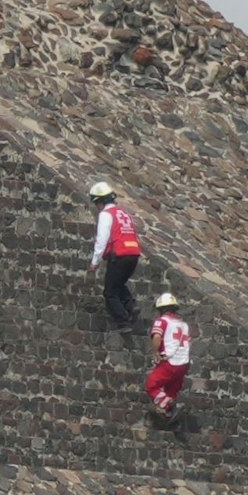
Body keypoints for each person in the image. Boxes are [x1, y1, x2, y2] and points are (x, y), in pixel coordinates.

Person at [87, 180, 143, 332]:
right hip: (133, 254)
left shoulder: (106, 215)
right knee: (118, 284)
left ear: (100, 201)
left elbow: (102, 239)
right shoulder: (123, 213)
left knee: (110, 292)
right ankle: (131, 304)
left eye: (96, 203)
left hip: (119, 255)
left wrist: (95, 261)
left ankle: (123, 322)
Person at [146, 291, 191, 420]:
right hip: (184, 363)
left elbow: (157, 337)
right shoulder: (184, 325)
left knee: (152, 385)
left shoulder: (162, 321)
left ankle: (169, 405)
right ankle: (168, 413)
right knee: (171, 391)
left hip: (169, 362)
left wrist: (155, 352)